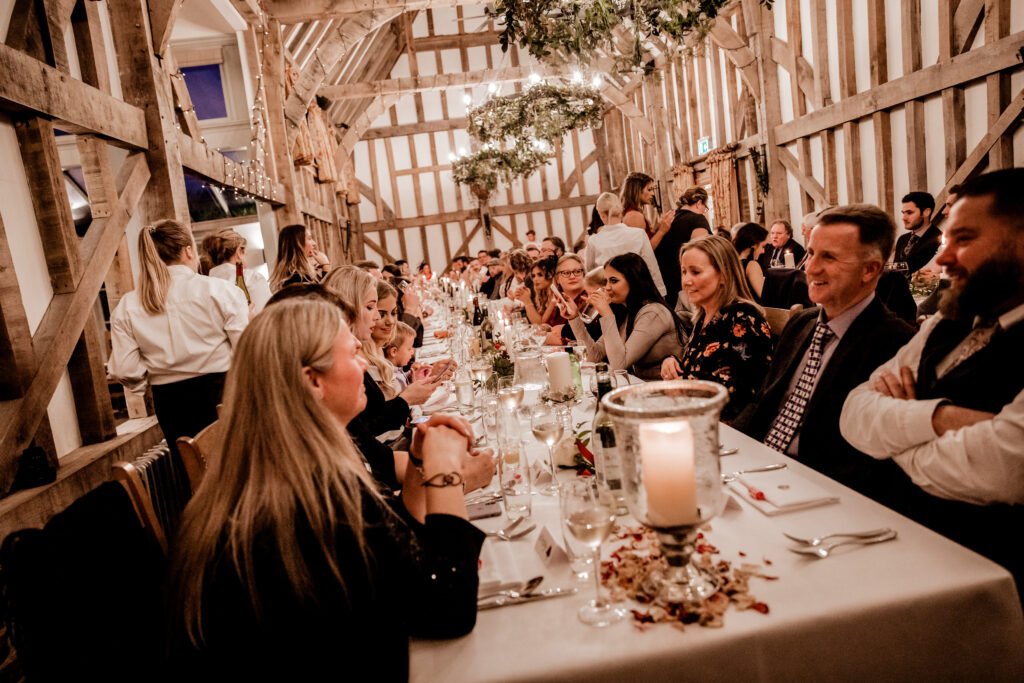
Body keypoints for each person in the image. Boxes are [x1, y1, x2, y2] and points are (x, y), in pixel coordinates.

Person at [167, 299, 486, 679]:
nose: (365, 363)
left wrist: (417, 466)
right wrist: (445, 473)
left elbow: (402, 547)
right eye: (352, 353)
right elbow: (448, 606)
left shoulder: (282, 467)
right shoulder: (315, 498)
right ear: (313, 381)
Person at [839, 169, 1024, 594]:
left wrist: (895, 435)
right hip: (897, 545)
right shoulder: (948, 321)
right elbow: (854, 410)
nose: (941, 258)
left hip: (988, 583)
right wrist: (943, 419)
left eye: (965, 239)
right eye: (946, 240)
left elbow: (1006, 467)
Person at [733, 205, 916, 499]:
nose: (810, 267)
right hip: (756, 471)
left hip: (822, 491)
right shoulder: (802, 324)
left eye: (828, 257)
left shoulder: (896, 343)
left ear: (870, 269)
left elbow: (876, 459)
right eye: (811, 252)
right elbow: (764, 402)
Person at [109, 219, 248, 459]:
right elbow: (247, 352)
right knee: (238, 468)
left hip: (171, 402)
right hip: (223, 393)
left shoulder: (129, 305)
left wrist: (157, 375)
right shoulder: (221, 291)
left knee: (192, 475)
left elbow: (125, 369)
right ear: (188, 250)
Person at [661, 235, 772, 421]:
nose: (686, 280)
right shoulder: (704, 317)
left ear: (724, 275)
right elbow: (701, 368)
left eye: (695, 272)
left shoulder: (744, 319)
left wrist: (684, 388)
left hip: (730, 432)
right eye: (684, 272)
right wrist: (672, 363)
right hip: (696, 419)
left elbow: (742, 394)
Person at [561, 253, 686, 381]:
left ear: (633, 280)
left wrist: (606, 313)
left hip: (665, 390)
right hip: (639, 386)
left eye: (613, 281)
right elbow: (594, 356)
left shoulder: (653, 313)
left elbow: (619, 365)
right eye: (606, 281)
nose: (607, 287)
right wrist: (574, 318)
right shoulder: (626, 311)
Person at [584, 192, 667, 296]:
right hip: (637, 292)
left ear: (601, 214)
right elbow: (651, 266)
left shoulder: (594, 241)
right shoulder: (639, 234)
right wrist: (660, 293)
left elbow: (590, 271)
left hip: (609, 295)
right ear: (621, 212)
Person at [652, 187, 711, 309]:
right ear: (699, 203)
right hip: (686, 286)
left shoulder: (666, 221)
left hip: (663, 285)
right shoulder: (697, 219)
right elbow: (701, 252)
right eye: (705, 208)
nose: (705, 211)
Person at [202, 228, 272, 314]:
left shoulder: (203, 286)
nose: (246, 256)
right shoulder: (252, 278)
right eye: (244, 252)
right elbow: (268, 316)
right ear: (239, 252)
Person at [894, 191, 941, 275]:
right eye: (903, 213)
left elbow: (911, 266)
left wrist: (884, 266)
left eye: (909, 213)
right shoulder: (902, 239)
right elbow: (895, 270)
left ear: (926, 212)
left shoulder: (937, 238)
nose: (904, 218)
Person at [270, 224, 328, 291]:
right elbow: (324, 297)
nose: (314, 243)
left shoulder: (296, 275)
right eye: (309, 238)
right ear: (297, 244)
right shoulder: (296, 278)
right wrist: (326, 265)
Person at [516, 255, 559, 325]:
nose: (535, 279)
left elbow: (540, 323)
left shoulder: (555, 295)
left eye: (540, 275)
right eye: (533, 276)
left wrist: (527, 301)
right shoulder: (543, 294)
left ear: (550, 275)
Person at [732, 222, 769, 300]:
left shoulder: (732, 262)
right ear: (754, 245)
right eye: (763, 246)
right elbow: (764, 296)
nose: (763, 251)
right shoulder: (751, 265)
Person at [384, 321, 417, 393]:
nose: (412, 352)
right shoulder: (391, 382)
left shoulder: (396, 369)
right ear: (394, 352)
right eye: (409, 348)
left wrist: (410, 377)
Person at [620, 172, 656, 238]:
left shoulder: (634, 211)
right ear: (637, 190)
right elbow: (644, 247)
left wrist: (658, 227)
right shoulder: (634, 216)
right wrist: (662, 231)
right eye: (649, 190)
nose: (653, 194)